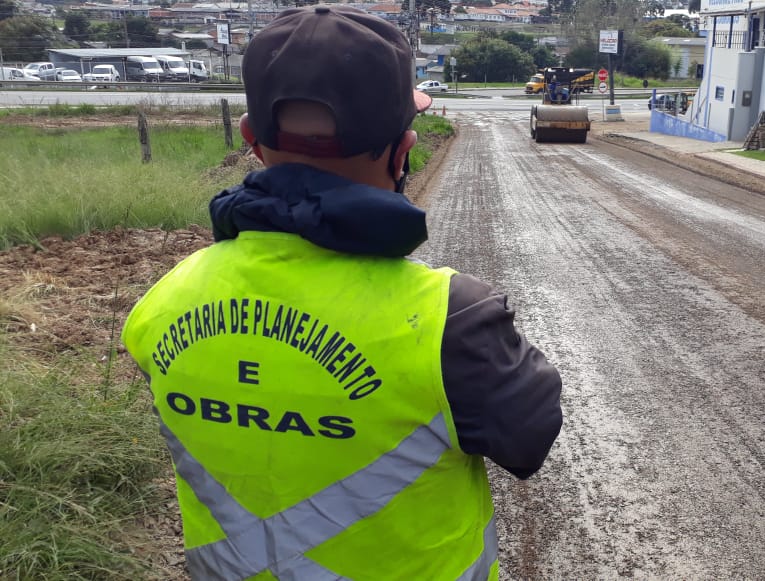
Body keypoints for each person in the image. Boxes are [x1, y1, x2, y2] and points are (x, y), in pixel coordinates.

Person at [121, 5, 563, 580]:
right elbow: (529, 438)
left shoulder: (164, 299)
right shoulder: (454, 321)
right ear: (403, 151)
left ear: (252, 142)